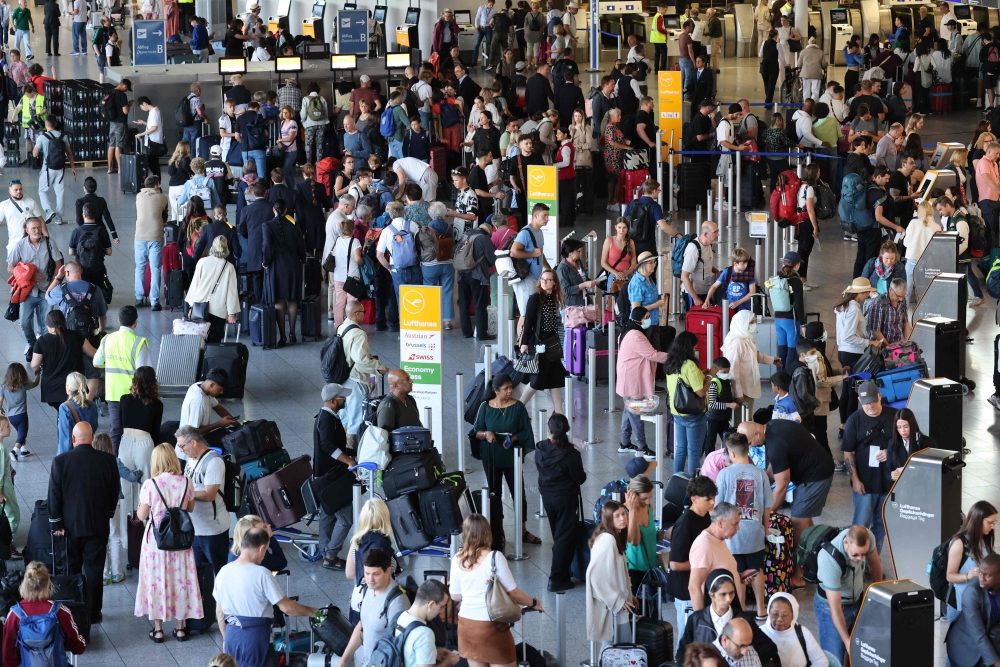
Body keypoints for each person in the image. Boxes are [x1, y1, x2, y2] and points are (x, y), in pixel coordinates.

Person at [737, 419, 834, 586]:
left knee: (798, 522)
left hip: (815, 476)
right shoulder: (771, 426)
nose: (751, 447)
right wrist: (762, 482)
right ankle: (815, 559)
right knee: (805, 521)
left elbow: (782, 486)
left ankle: (799, 574)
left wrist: (767, 513)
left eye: (751, 443)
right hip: (810, 470)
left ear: (757, 433)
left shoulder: (775, 444)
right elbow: (774, 466)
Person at [47, 421, 119, 624]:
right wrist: (108, 513)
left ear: (73, 439)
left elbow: (54, 495)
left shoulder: (61, 461)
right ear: (93, 437)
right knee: (95, 570)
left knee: (71, 569)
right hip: (97, 525)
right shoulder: (108, 460)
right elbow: (114, 492)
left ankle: (72, 610)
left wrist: (56, 523)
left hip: (69, 528)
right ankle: (94, 612)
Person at [216, 527, 318, 665]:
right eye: (266, 551)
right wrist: (313, 612)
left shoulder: (224, 571)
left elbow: (219, 611)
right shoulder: (261, 573)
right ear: (261, 548)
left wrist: (225, 639)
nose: (264, 555)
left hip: (232, 638)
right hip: (256, 639)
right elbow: (287, 608)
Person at [450, 514, 543, 666]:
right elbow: (514, 593)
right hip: (491, 626)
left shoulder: (457, 559)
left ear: (465, 534)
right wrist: (533, 602)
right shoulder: (494, 557)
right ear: (487, 532)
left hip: (466, 626)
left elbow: (455, 596)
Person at [132, 443, 200, 642]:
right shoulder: (187, 481)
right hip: (180, 539)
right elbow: (190, 508)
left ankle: (159, 629)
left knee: (156, 580)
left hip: (156, 541)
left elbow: (141, 515)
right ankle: (180, 628)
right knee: (181, 580)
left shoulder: (150, 484)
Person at [471, 373, 536, 549]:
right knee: (494, 494)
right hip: (491, 456)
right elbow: (476, 431)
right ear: (495, 390)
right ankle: (497, 532)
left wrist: (513, 438)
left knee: (518, 493)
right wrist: (486, 434)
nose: (510, 391)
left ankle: (522, 530)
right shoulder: (485, 407)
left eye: (510, 387)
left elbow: (526, 432)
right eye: (505, 388)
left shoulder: (518, 407)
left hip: (511, 456)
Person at [714, 433, 771, 620]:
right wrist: (766, 528)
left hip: (732, 532)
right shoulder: (760, 473)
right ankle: (762, 610)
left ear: (731, 453)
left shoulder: (724, 474)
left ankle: (742, 610)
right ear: (748, 449)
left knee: (737, 572)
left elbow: (718, 506)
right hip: (755, 530)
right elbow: (767, 505)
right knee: (756, 569)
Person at [813, 525, 883, 663]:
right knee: (835, 659)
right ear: (846, 542)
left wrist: (878, 595)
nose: (860, 558)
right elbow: (835, 609)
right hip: (831, 609)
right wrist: (847, 641)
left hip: (857, 601)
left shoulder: (867, 536)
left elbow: (875, 564)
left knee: (854, 657)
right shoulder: (829, 560)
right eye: (855, 554)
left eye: (864, 553)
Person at [842, 380, 897, 553]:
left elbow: (906, 444)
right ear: (859, 400)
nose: (870, 406)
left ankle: (873, 562)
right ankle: (854, 558)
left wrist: (891, 452)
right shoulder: (854, 421)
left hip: (888, 481)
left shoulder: (894, 416)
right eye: (866, 403)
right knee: (861, 523)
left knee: (880, 524)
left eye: (873, 401)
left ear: (880, 397)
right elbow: (848, 453)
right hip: (865, 483)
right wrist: (855, 479)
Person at [678, 569, 778, 662]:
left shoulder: (744, 620)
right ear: (711, 594)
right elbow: (682, 652)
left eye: (731, 593)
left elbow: (769, 647)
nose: (728, 599)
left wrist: (745, 660)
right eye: (723, 594)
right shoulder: (696, 620)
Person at [535, 412, 586, 591]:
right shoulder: (571, 454)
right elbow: (580, 478)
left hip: (547, 497)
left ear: (549, 430)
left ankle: (564, 572)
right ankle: (557, 577)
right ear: (567, 430)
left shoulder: (541, 448)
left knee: (558, 534)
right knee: (564, 538)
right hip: (566, 499)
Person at [2, 562, 87, 666]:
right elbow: (78, 648)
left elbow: (8, 657)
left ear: (24, 585)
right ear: (49, 584)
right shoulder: (60, 611)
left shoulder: (15, 614)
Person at [174, 425, 231, 575]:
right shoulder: (190, 459)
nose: (180, 450)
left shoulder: (214, 462)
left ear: (193, 442)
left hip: (213, 530)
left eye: (182, 446)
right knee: (199, 573)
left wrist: (185, 493)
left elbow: (209, 495)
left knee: (219, 573)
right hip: (195, 528)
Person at [338, 548, 409, 667]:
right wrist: (344, 660)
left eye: (376, 574)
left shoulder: (397, 603)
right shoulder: (368, 589)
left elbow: (401, 643)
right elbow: (362, 627)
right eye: (367, 573)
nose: (370, 579)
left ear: (387, 571)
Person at [616, 307, 669, 458]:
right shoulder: (635, 335)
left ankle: (625, 443)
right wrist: (675, 356)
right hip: (633, 379)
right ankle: (642, 447)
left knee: (629, 410)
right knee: (635, 412)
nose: (648, 319)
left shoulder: (628, 331)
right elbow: (653, 354)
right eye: (646, 317)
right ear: (638, 319)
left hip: (629, 375)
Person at [314, 383, 356, 570]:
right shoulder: (326, 419)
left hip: (325, 476)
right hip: (330, 478)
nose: (344, 400)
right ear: (332, 401)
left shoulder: (328, 417)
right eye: (341, 398)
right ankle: (330, 556)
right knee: (346, 518)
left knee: (328, 514)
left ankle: (325, 552)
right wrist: (348, 460)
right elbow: (328, 446)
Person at [7, 217, 62, 359]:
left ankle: (42, 353)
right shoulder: (20, 245)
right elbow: (10, 268)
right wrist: (27, 276)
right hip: (28, 292)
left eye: (38, 227)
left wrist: (52, 286)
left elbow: (58, 265)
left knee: (46, 326)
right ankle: (33, 345)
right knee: (24, 323)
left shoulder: (49, 243)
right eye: (33, 228)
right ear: (27, 230)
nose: (37, 230)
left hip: (46, 290)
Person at [586, 499, 635, 648]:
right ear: (608, 519)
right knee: (615, 649)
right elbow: (595, 575)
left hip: (616, 604)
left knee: (615, 649)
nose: (622, 519)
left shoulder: (611, 537)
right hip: (612, 607)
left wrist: (629, 595)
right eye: (617, 516)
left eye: (623, 514)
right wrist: (617, 600)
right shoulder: (608, 540)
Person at [338, 301, 388, 445]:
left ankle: (344, 449)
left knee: (345, 415)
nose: (364, 314)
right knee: (356, 417)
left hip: (343, 378)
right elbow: (360, 360)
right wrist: (379, 367)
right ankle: (353, 454)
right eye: (363, 312)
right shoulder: (358, 333)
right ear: (357, 314)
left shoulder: (342, 327)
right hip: (356, 379)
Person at [518, 269, 569, 409]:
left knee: (555, 379)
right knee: (537, 380)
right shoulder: (534, 298)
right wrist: (524, 344)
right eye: (543, 279)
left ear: (554, 284)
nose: (544, 282)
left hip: (551, 344)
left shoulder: (554, 298)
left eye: (548, 280)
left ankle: (559, 411)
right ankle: (519, 408)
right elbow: (528, 323)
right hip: (540, 344)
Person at [30, 310, 97, 411]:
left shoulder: (42, 341)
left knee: (63, 412)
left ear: (47, 325)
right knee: (71, 412)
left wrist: (38, 371)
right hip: (73, 385)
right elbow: (93, 353)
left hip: (51, 388)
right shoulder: (77, 336)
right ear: (65, 322)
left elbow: (34, 365)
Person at [943, 500, 998, 622]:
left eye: (995, 522)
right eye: (990, 523)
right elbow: (950, 576)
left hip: (980, 601)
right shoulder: (959, 543)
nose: (993, 526)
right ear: (978, 520)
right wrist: (968, 575)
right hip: (961, 605)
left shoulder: (985, 539)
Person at [665, 331, 711, 475]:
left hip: (677, 410)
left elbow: (687, 381)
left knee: (680, 449)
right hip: (693, 413)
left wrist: (702, 373)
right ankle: (693, 482)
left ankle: (676, 478)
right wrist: (710, 377)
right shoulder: (690, 365)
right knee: (694, 451)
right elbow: (701, 392)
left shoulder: (671, 362)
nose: (695, 350)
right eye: (695, 347)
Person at [262, 199, 307, 345]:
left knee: (279, 301)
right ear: (286, 210)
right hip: (293, 265)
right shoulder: (294, 225)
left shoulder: (267, 225)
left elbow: (267, 246)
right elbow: (301, 247)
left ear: (273, 210)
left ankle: (282, 336)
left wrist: (265, 262)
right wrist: (303, 259)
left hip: (276, 267)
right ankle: (293, 333)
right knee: (293, 300)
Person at [117, 365, 160, 514]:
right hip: (145, 442)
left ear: (134, 380)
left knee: (125, 485)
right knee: (147, 484)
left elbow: (118, 426)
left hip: (125, 441)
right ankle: (145, 521)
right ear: (153, 382)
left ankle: (127, 523)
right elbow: (155, 432)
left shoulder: (124, 400)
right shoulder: (157, 404)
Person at [185, 236, 240, 344]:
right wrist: (231, 313)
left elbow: (194, 285)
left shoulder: (202, 262)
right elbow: (231, 292)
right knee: (215, 343)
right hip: (218, 310)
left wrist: (191, 306)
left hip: (199, 307)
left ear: (212, 247)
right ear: (226, 248)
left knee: (197, 342)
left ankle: (199, 361)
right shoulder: (229, 267)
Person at [761, 594, 828, 667]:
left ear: (794, 616)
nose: (779, 619)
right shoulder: (759, 633)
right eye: (775, 614)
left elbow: (821, 661)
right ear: (769, 612)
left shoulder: (802, 633)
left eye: (785, 615)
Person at [345, 498, 398, 584]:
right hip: (381, 594)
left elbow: (350, 574)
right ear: (385, 518)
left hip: (360, 593)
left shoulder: (357, 540)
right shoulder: (382, 544)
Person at [770, 252, 805, 369]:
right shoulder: (796, 281)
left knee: (781, 350)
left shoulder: (777, 278)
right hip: (791, 320)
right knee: (792, 351)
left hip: (778, 319)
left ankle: (779, 378)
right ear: (797, 265)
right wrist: (803, 323)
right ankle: (788, 378)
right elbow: (799, 304)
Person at [624, 475, 658, 592]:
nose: (647, 501)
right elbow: (634, 541)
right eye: (644, 498)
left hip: (652, 569)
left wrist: (666, 534)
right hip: (634, 571)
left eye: (650, 498)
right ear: (632, 495)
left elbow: (650, 537)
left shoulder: (649, 507)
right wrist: (632, 510)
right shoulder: (623, 514)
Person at [55, 371, 98, 455]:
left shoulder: (65, 408)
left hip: (73, 455)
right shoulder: (92, 406)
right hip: (89, 452)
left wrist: (61, 460)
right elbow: (94, 429)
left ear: (68, 388)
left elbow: (66, 439)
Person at [681, 222, 720, 309]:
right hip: (694, 293)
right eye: (715, 232)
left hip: (706, 291)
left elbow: (705, 264)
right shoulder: (693, 249)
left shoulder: (709, 244)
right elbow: (684, 276)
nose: (718, 234)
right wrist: (695, 298)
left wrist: (717, 271)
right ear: (706, 234)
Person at [865, 277, 910, 344]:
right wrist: (888, 347)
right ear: (890, 290)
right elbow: (875, 331)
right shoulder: (878, 304)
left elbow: (905, 323)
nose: (900, 299)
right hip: (881, 347)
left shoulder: (902, 301)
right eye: (898, 296)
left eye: (903, 296)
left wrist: (908, 342)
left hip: (896, 345)